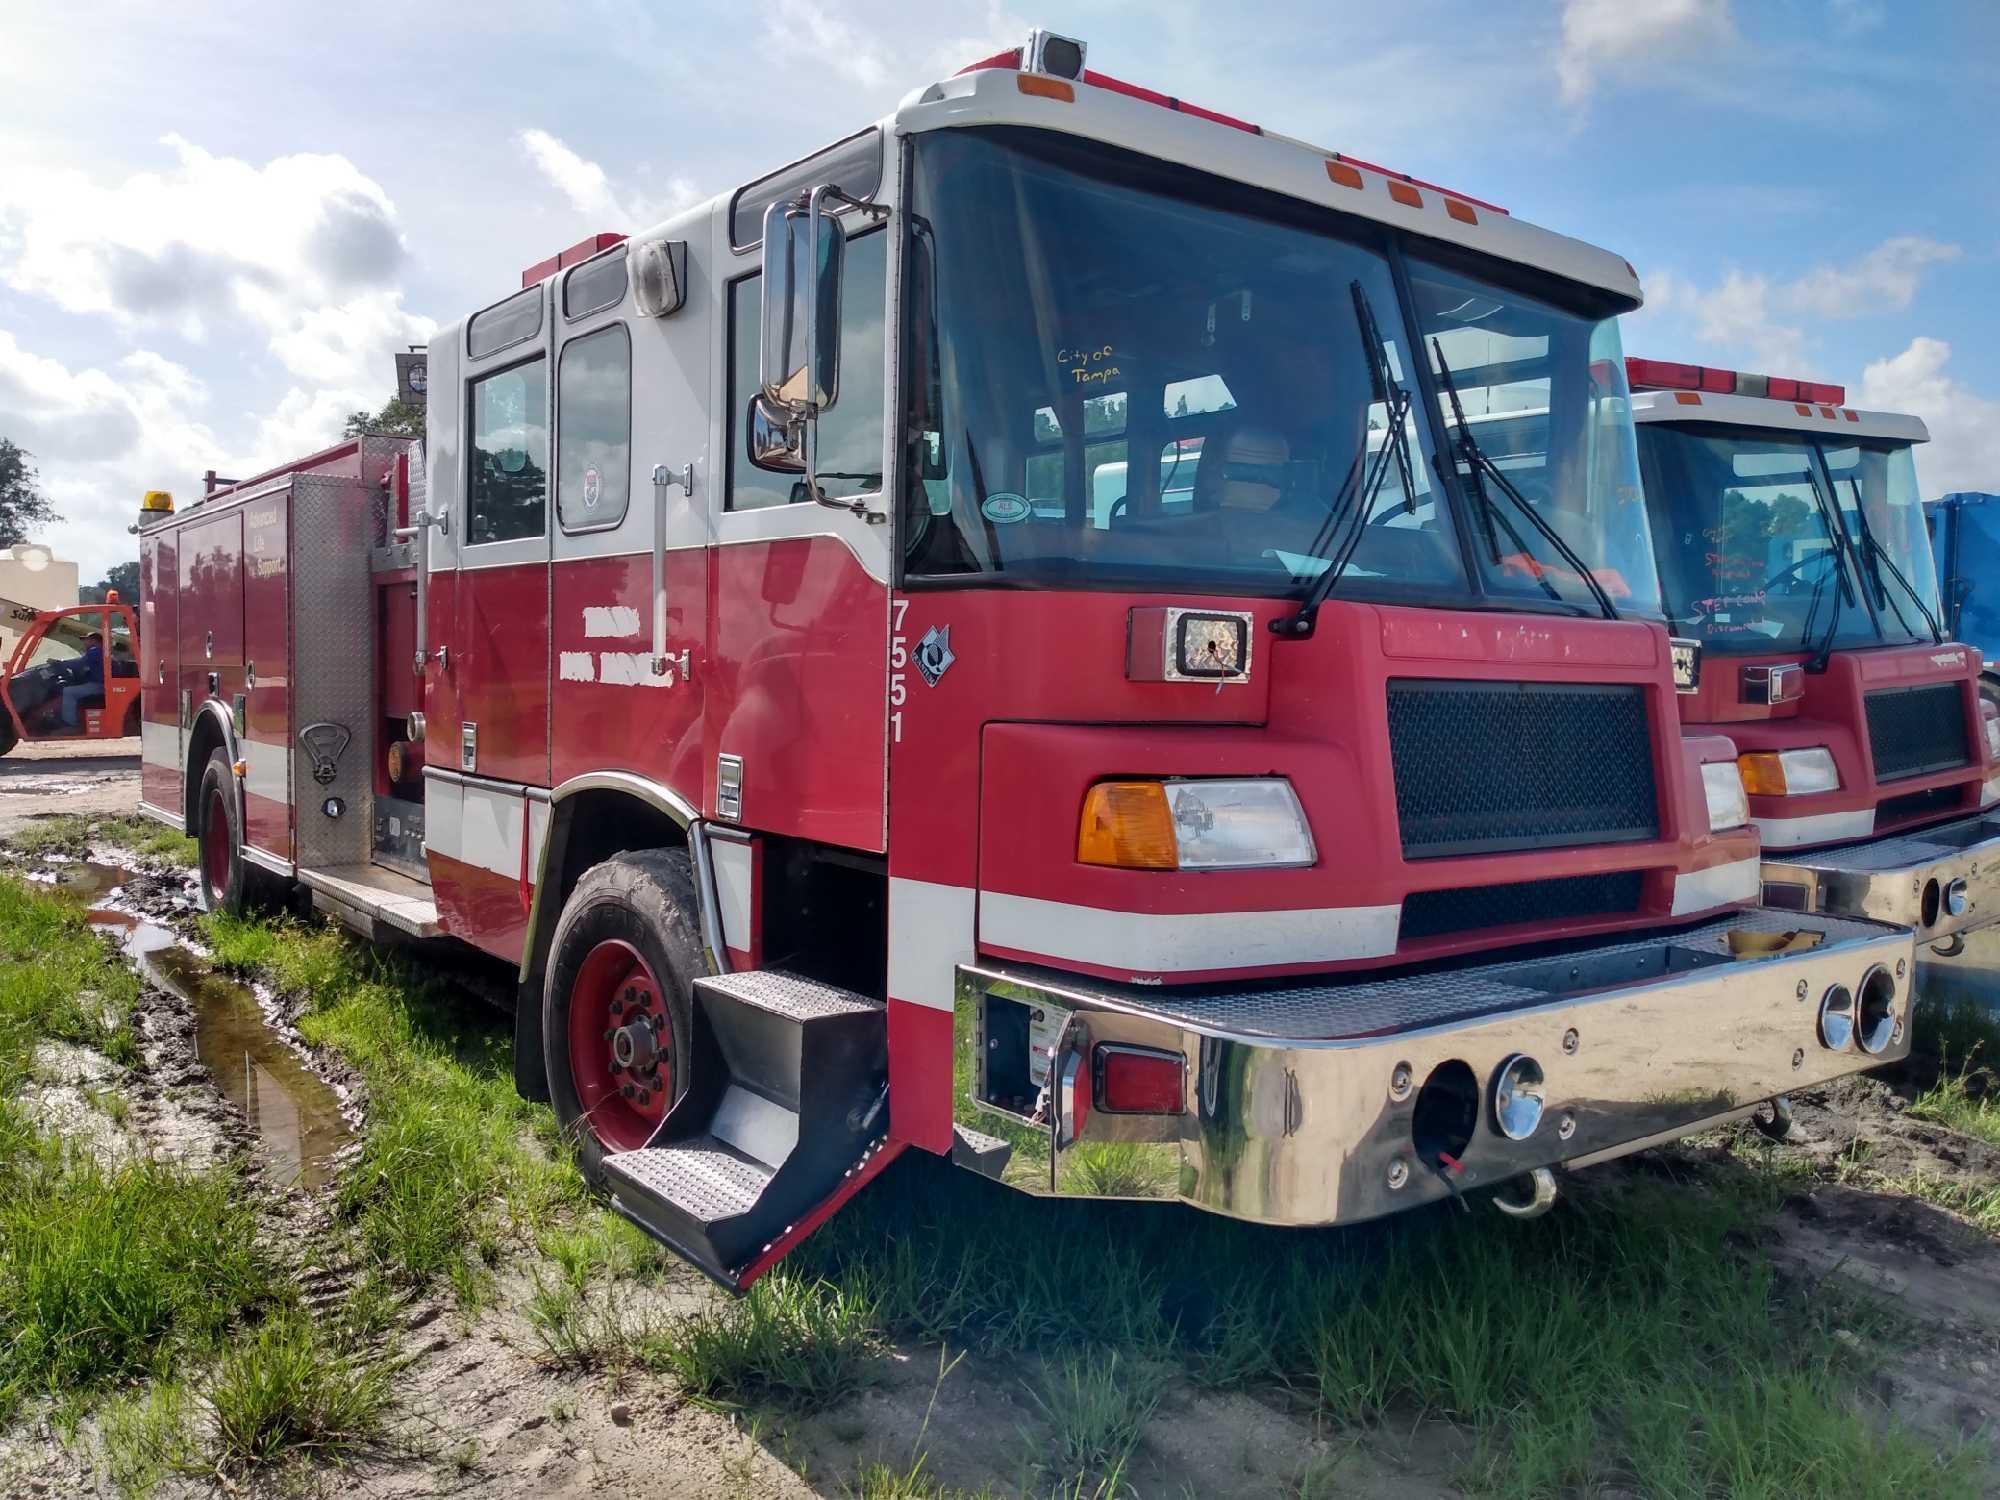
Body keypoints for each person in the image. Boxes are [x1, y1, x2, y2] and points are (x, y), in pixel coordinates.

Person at [58, 636, 105, 729]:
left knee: (69, 692)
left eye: (86, 640)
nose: (84, 643)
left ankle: (69, 724)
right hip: (102, 683)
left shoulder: (95, 651)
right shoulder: (100, 651)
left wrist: (60, 664)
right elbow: (81, 663)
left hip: (100, 685)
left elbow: (79, 663)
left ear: (93, 640)